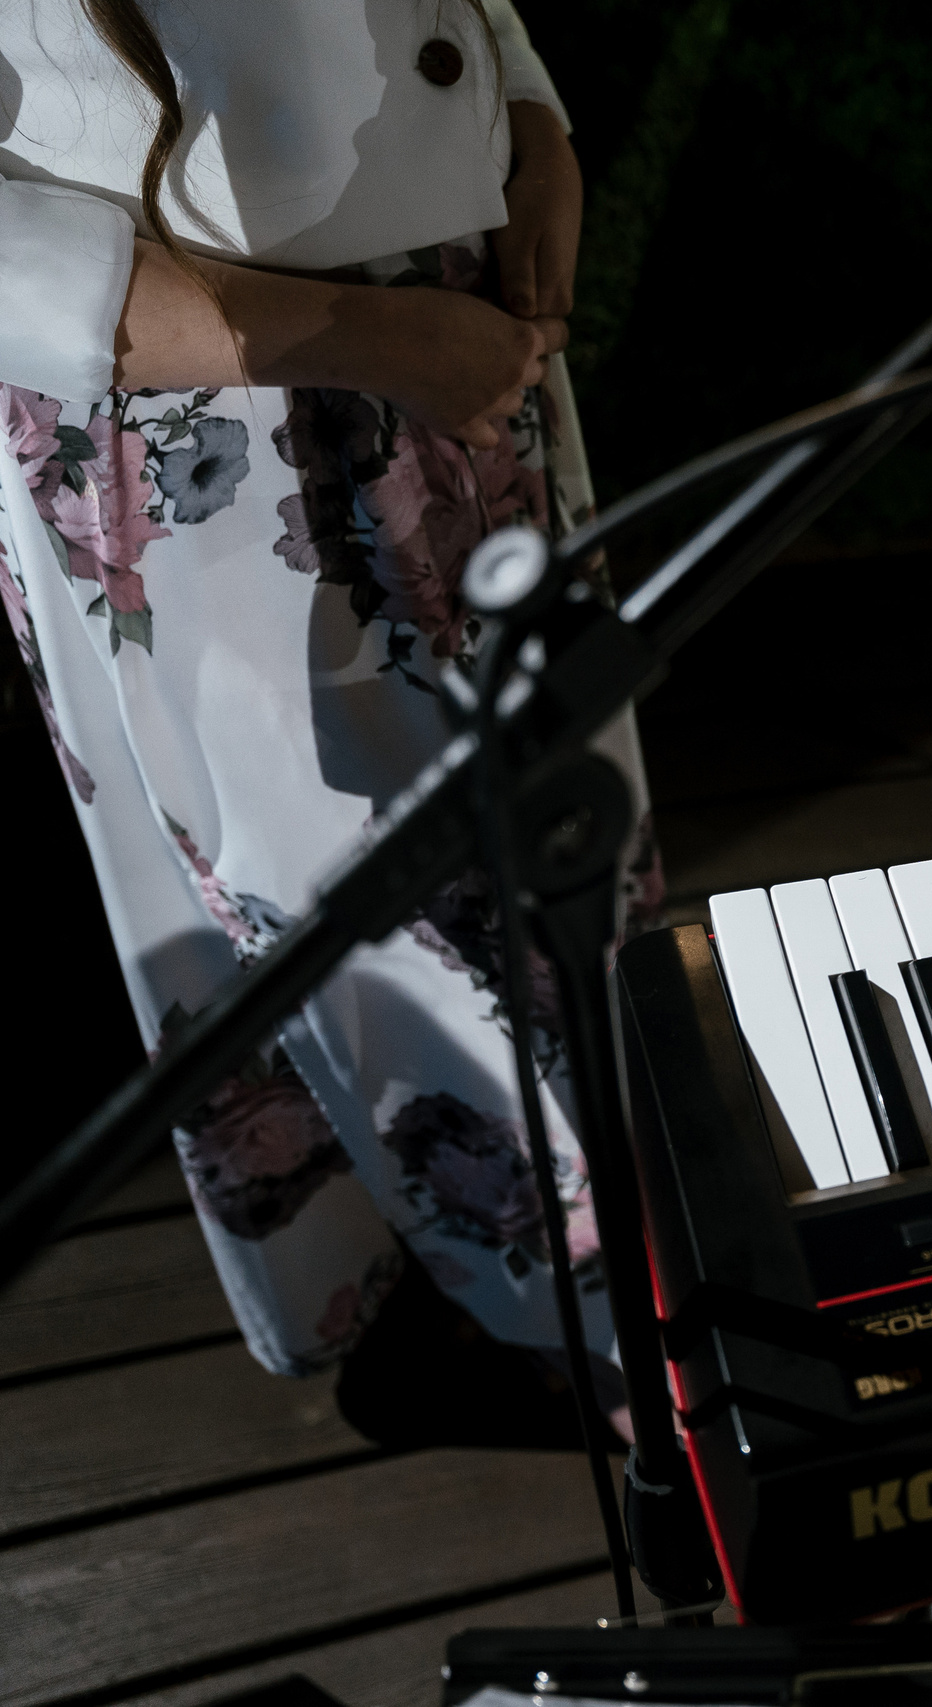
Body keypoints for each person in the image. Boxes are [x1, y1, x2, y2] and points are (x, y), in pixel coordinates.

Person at [0, 1, 649, 1422]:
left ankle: (577, 1308)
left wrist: (527, 120)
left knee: (557, 852)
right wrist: (353, 331)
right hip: (216, 402)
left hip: (453, 341)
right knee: (369, 909)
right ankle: (601, 1347)